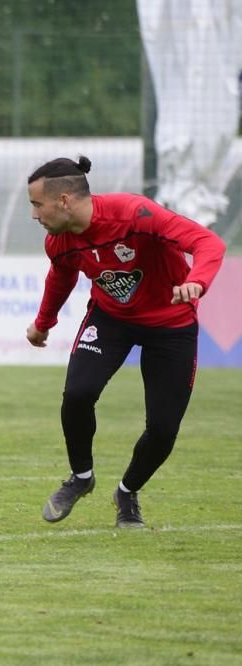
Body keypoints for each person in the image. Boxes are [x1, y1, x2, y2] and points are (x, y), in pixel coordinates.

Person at [26, 155, 225, 528]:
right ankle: (81, 478)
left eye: (37, 204)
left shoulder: (135, 214)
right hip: (111, 320)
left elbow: (207, 242)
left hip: (171, 323)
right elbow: (62, 276)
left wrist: (197, 280)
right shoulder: (59, 241)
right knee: (78, 394)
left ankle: (127, 493)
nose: (35, 215)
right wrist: (43, 324)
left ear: (64, 200)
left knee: (164, 429)